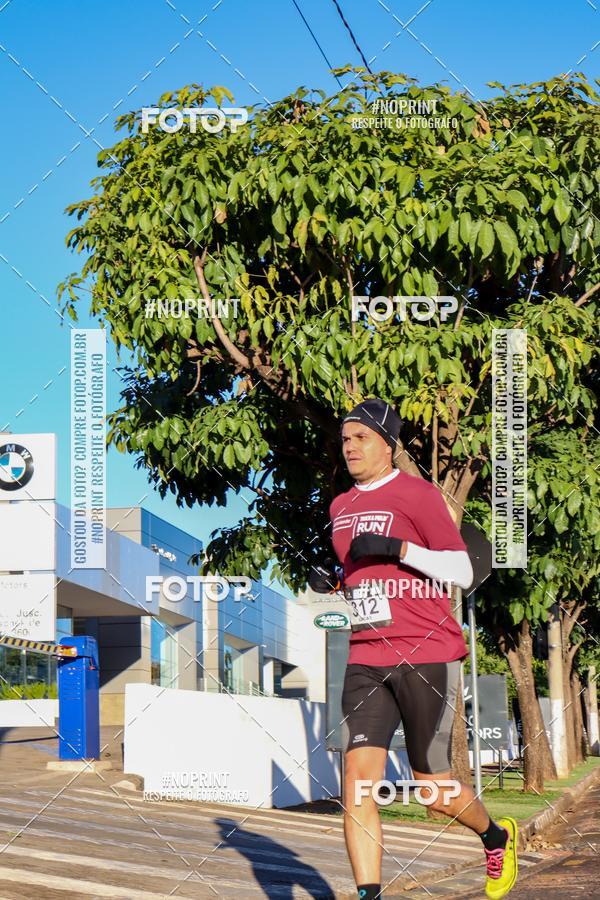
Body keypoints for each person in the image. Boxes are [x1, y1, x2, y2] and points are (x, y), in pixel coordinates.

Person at [309, 398, 518, 900]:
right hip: (365, 656)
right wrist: (336, 583)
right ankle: (369, 894)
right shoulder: (339, 507)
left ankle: (495, 836)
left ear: (388, 444)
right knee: (357, 783)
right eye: (345, 439)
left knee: (432, 789)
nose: (350, 446)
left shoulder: (418, 495)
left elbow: (462, 572)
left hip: (426, 653)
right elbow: (365, 580)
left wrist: (397, 548)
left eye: (360, 437)